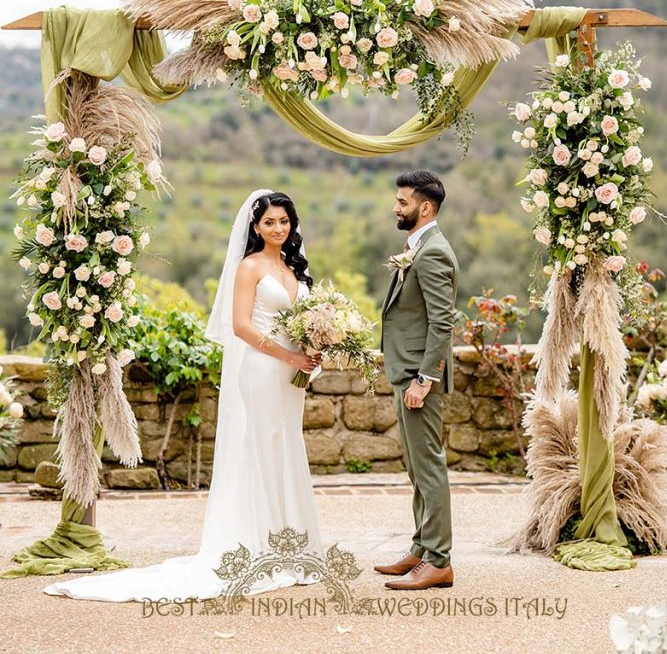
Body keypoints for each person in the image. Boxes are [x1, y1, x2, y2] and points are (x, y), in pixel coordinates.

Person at [44, 189, 325, 602]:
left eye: (284, 221)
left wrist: (314, 348)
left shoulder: (292, 266)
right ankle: (262, 545)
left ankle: (292, 544)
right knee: (262, 447)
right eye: (269, 222)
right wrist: (286, 354)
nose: (278, 228)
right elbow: (242, 327)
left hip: (291, 374)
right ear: (255, 226)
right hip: (263, 369)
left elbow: (304, 319)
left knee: (287, 446)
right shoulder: (249, 267)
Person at [375, 169, 458, 590]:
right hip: (405, 371)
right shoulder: (418, 248)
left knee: (429, 467)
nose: (396, 207)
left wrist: (425, 379)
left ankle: (439, 561)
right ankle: (422, 548)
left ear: (425, 207)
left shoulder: (433, 252)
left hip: (418, 377)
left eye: (403, 201)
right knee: (415, 467)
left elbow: (443, 322)